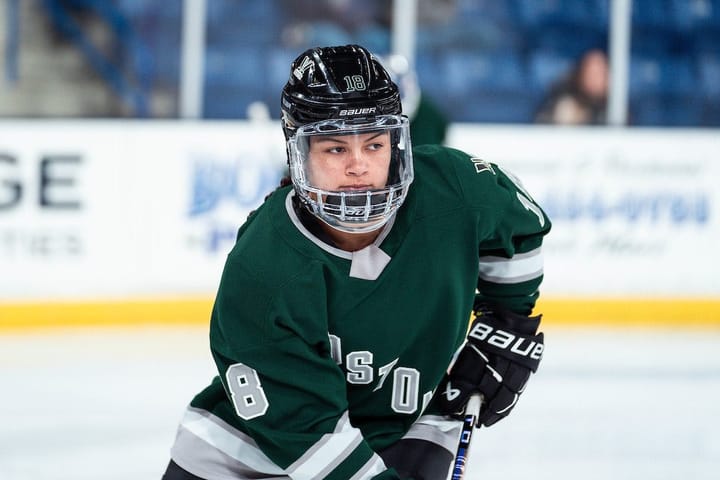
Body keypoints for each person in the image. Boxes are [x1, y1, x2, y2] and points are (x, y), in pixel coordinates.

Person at [162, 44, 551, 480]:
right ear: (298, 152)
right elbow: (308, 434)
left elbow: (519, 228)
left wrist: (508, 318)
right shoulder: (264, 269)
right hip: (246, 456)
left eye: (374, 143)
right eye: (334, 149)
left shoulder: (455, 191)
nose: (359, 166)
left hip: (407, 427)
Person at [535, 48, 609, 125]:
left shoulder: (615, 109)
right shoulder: (564, 102)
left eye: (600, 73)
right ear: (581, 74)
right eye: (591, 73)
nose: (595, 78)